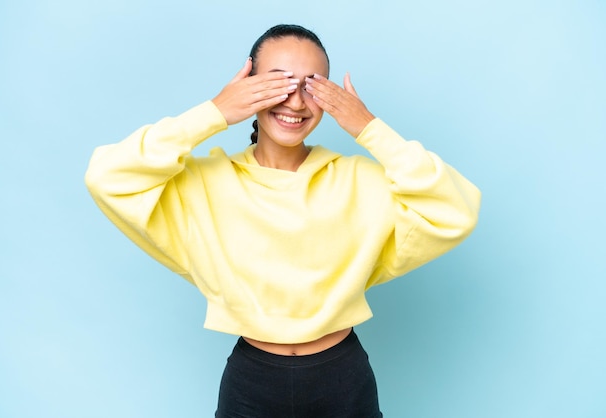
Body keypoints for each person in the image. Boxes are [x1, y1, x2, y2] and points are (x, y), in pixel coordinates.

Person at [85, 23, 480, 418]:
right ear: (248, 86)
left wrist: (368, 128)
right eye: (278, 83)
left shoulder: (358, 179)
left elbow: (455, 209)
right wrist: (214, 112)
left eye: (312, 86)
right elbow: (107, 177)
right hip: (252, 379)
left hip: (342, 376)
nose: (295, 102)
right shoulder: (206, 182)